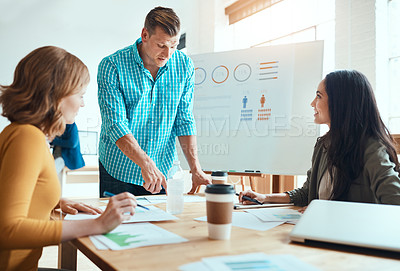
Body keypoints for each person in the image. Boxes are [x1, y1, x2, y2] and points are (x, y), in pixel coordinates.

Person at [0, 46, 137, 271]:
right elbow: (7, 230)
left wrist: (52, 201)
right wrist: (97, 224)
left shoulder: (22, 132)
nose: (82, 104)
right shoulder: (27, 137)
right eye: (80, 95)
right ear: (56, 93)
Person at [239, 70, 400, 208]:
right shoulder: (324, 145)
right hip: (322, 232)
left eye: (319, 96)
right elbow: (307, 192)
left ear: (340, 103)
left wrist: (328, 213)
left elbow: (394, 200)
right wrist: (265, 198)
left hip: (353, 238)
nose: (312, 103)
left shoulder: (371, 148)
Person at [97, 6, 210, 196]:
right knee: (118, 226)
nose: (167, 54)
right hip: (118, 169)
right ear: (145, 35)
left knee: (161, 224)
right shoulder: (112, 66)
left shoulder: (184, 66)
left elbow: (184, 120)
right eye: (161, 45)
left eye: (173, 46)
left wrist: (196, 169)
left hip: (162, 170)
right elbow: (115, 124)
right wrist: (146, 163)